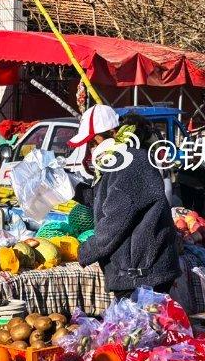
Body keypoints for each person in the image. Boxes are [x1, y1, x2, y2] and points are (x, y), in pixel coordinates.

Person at [76, 107, 181, 298]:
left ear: (113, 134)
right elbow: (109, 202)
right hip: (139, 271)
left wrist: (84, 251)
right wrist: (75, 191)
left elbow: (115, 221)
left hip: (143, 275)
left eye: (93, 141)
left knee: (141, 327)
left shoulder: (129, 164)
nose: (90, 148)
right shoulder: (118, 162)